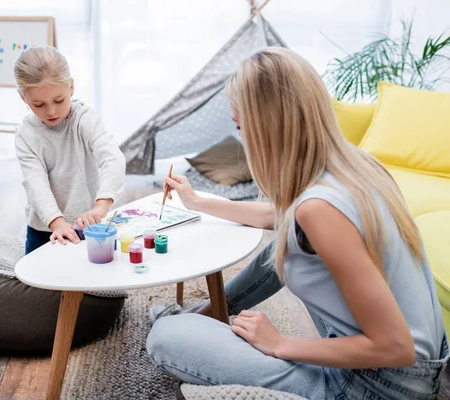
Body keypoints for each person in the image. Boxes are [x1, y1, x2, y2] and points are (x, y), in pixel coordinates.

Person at [146, 47, 447, 399]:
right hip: (419, 366)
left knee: (165, 337)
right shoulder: (359, 165)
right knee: (286, 242)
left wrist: (280, 344)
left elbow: (396, 347)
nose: (242, 138)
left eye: (241, 127)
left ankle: (196, 322)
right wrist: (198, 202)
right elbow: (281, 216)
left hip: (378, 386)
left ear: (265, 128)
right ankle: (210, 312)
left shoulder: (319, 211)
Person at [13, 46, 125, 254]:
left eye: (59, 100)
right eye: (38, 104)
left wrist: (101, 206)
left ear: (71, 87)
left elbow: (112, 159)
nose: (51, 111)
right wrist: (56, 222)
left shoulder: (84, 119)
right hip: (44, 227)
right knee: (38, 283)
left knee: (92, 281)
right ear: (23, 97)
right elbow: (35, 183)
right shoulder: (26, 133)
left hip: (88, 223)